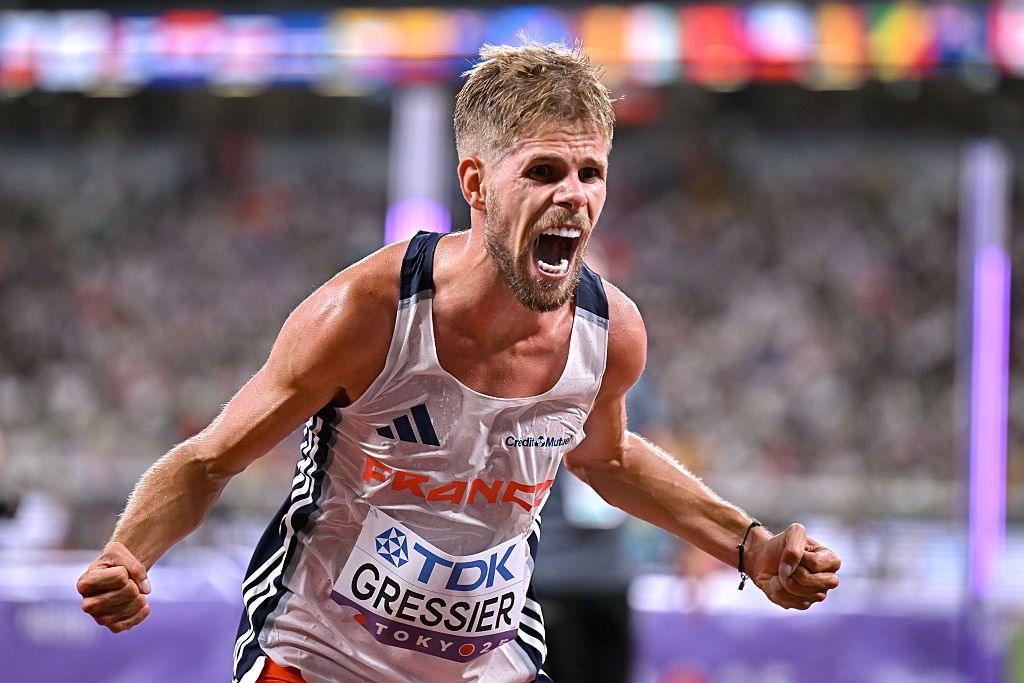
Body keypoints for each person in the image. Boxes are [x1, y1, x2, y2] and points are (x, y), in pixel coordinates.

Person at [76, 43, 841, 683]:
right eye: (543, 172)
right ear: (476, 183)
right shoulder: (368, 313)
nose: (573, 197)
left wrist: (751, 544)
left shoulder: (610, 332)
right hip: (317, 655)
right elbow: (211, 459)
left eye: (591, 173)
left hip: (485, 660)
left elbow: (606, 458)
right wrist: (127, 552)